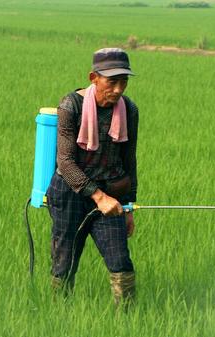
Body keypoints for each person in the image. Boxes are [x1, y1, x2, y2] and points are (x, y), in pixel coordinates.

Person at [45, 48, 139, 308]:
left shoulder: (129, 110)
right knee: (65, 261)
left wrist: (129, 206)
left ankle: (128, 322)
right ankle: (57, 314)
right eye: (112, 81)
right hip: (70, 195)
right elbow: (65, 162)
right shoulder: (70, 106)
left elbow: (129, 161)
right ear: (93, 77)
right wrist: (98, 196)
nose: (119, 89)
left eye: (124, 81)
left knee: (120, 260)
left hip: (111, 195)